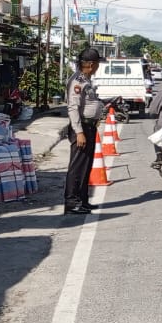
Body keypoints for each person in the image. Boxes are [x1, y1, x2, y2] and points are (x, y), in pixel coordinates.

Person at [64, 47, 105, 215]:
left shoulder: (86, 80)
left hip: (90, 126)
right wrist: (79, 132)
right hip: (81, 128)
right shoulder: (77, 81)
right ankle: (72, 202)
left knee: (86, 166)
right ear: (90, 64)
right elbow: (73, 108)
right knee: (77, 166)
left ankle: (83, 200)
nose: (98, 67)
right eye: (97, 64)